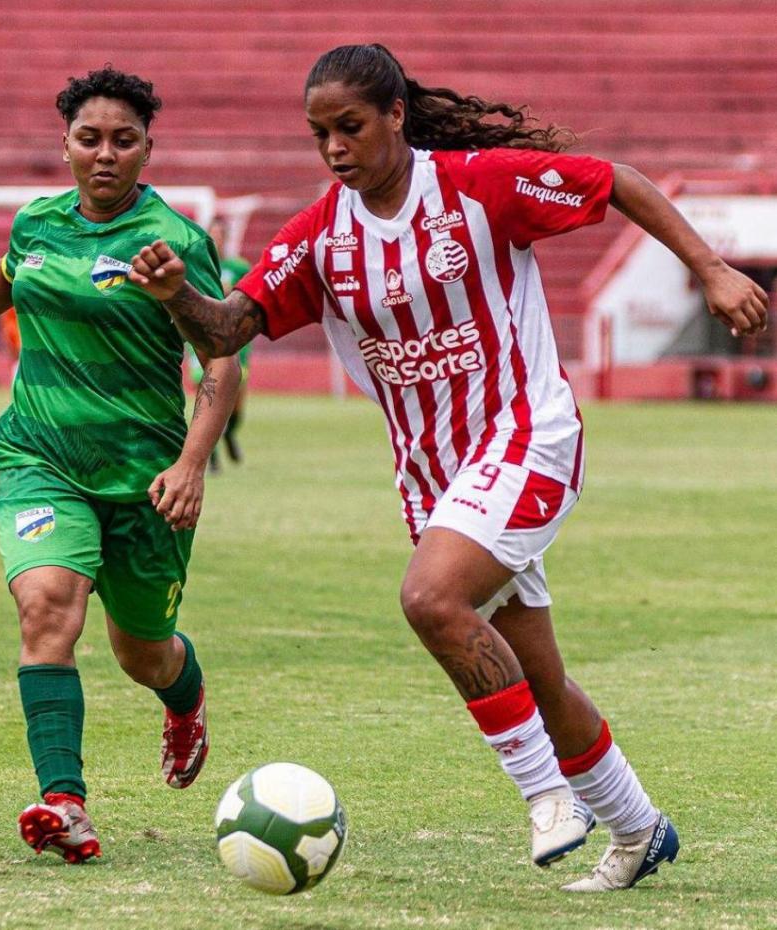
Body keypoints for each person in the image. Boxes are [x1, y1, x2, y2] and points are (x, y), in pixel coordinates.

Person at [127, 44, 768, 891]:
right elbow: (223, 330)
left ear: (396, 115)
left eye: (349, 127)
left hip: (527, 437)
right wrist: (174, 291)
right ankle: (639, 828)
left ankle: (548, 797)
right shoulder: (323, 234)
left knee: (431, 597)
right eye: (319, 134)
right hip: (436, 478)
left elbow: (615, 181)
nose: (333, 149)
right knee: (536, 675)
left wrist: (713, 268)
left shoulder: (478, 187)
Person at [0, 67, 241, 864]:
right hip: (41, 456)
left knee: (142, 652)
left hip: (144, 479)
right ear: (64, 145)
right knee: (46, 608)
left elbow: (221, 360)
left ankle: (185, 697)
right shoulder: (37, 222)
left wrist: (193, 463)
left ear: (147, 149)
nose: (105, 154)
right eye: (89, 138)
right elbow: (6, 276)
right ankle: (64, 801)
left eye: (123, 140)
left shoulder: (172, 242)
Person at [187, 216, 252, 470]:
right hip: (203, 339)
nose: (217, 240)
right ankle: (211, 456)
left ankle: (230, 433)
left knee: (236, 399)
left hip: (236, 343)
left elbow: (249, 297)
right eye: (213, 235)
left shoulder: (239, 267)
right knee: (209, 392)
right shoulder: (198, 264)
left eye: (221, 236)